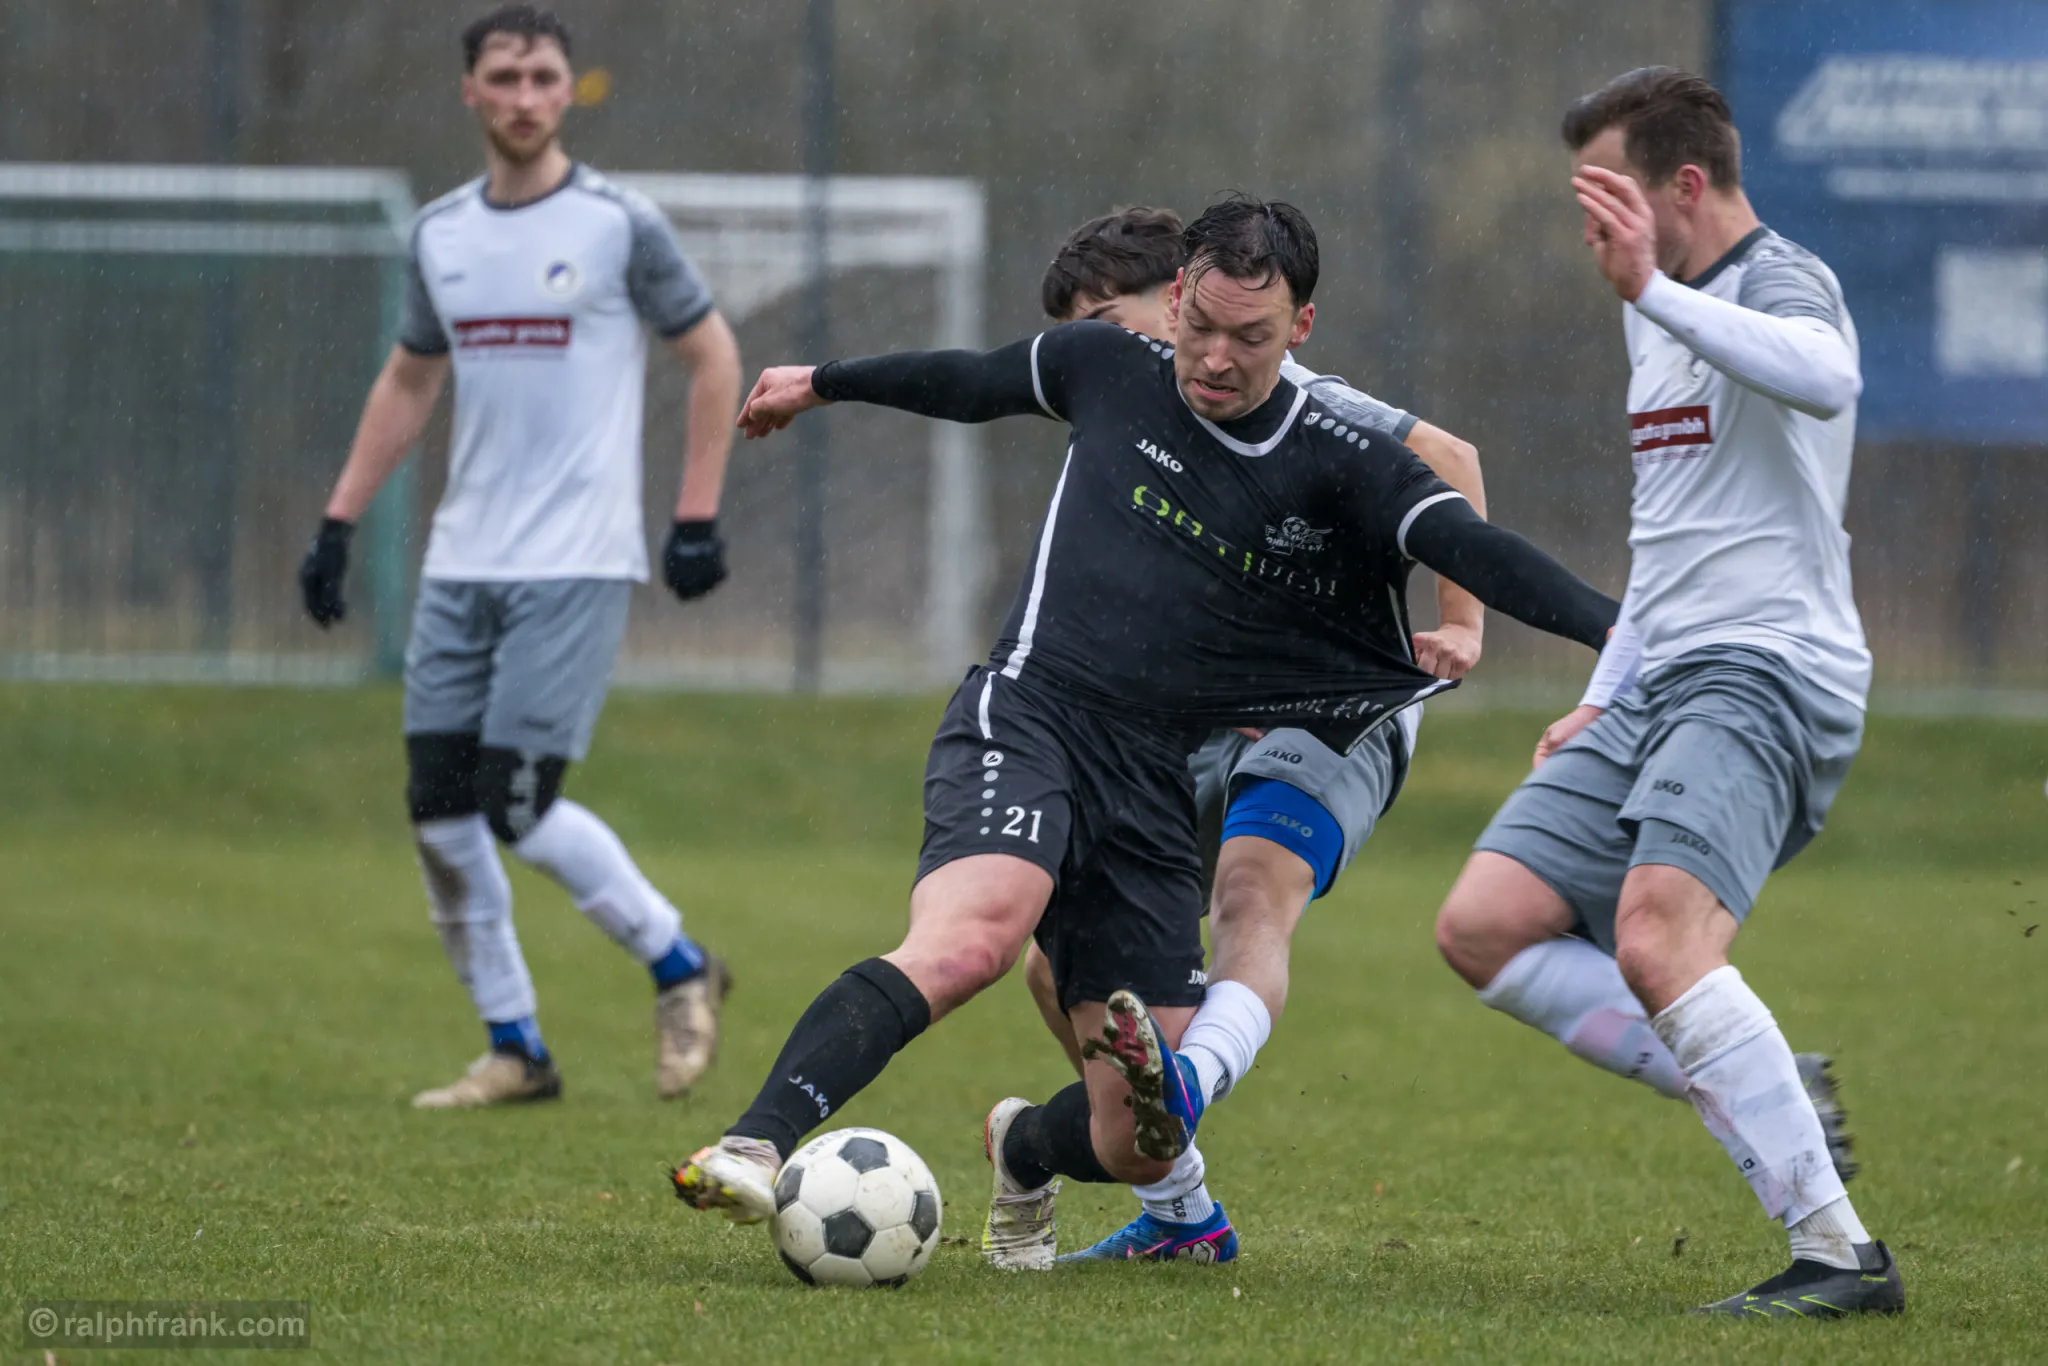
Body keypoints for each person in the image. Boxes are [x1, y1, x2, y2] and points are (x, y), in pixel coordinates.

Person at [669, 196, 1617, 1273]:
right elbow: (973, 381)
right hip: (1032, 712)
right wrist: (823, 381)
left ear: (1300, 327)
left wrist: (1621, 633)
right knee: (977, 938)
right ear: (1174, 300)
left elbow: (1476, 547)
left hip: (1154, 783)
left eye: (1249, 337)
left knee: (1138, 1136)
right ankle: (754, 1141)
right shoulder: (1108, 364)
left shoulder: (1337, 455)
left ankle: (1024, 1143)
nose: (1214, 357)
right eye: (1199, 325)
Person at [1431, 68, 1904, 1317]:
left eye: (1606, 195)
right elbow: (1668, 535)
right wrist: (1604, 692)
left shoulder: (1777, 280)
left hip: (1766, 670)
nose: (1588, 225)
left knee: (1656, 939)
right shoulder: (1650, 308)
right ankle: (1768, 1081)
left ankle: (1838, 1256)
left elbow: (1826, 377)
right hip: (1661, 679)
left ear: (1683, 185)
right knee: (1483, 922)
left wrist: (1651, 291)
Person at [1020, 206, 1488, 1262]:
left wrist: (1460, 624)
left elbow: (1448, 455)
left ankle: (1185, 1084)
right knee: (1058, 964)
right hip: (1194, 723)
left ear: (1176, 300)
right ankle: (1181, 1212)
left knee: (1249, 892)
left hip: (1329, 708)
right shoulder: (1139, 422)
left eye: (1107, 324)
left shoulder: (1300, 403)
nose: (1095, 353)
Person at [296, 4, 744, 1109]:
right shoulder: (440, 234)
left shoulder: (617, 225)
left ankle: (680, 964)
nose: (526, 96)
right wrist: (338, 521)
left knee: (519, 801)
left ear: (568, 88)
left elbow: (712, 355)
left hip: (576, 558)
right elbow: (409, 378)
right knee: (439, 813)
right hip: (463, 559)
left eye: (545, 76)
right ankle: (515, 1047)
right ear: (471, 91)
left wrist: (694, 514)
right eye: (504, 77)